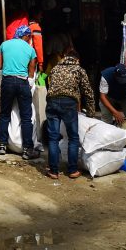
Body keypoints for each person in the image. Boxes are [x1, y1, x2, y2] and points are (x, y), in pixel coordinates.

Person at [44, 46, 95, 179]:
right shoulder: (79, 69)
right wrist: (90, 113)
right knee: (73, 137)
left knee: (53, 137)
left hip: (52, 102)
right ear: (77, 59)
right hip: (69, 103)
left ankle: (53, 171)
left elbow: (50, 86)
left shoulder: (55, 68)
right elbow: (88, 92)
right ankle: (72, 170)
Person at [0, 24, 39, 160]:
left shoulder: (4, 45)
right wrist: (30, 85)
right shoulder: (30, 49)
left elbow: (0, 65)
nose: (29, 39)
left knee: (4, 114)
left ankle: (2, 145)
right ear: (25, 36)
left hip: (7, 82)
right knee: (26, 117)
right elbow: (31, 72)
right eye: (29, 37)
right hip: (22, 82)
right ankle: (27, 149)